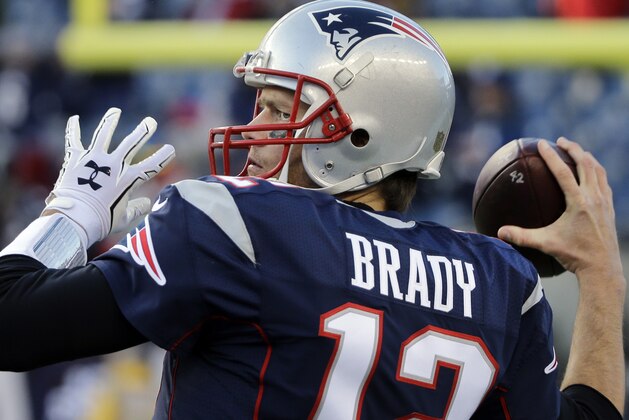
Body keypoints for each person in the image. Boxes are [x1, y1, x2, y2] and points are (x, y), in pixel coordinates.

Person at [0, 0, 625, 418]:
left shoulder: (234, 224)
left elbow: (12, 322)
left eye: (277, 109)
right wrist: (601, 276)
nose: (252, 128)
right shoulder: (502, 284)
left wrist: (71, 213)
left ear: (359, 135)